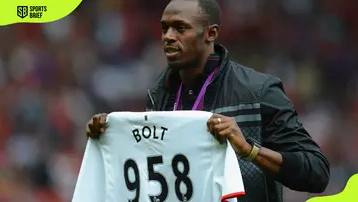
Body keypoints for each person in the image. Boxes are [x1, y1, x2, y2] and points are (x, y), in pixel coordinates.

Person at [86, 0, 330, 201]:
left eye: (180, 28)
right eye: (164, 28)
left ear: (211, 33)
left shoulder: (259, 92)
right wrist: (112, 137)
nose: (168, 37)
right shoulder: (158, 96)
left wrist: (250, 150)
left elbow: (317, 172)